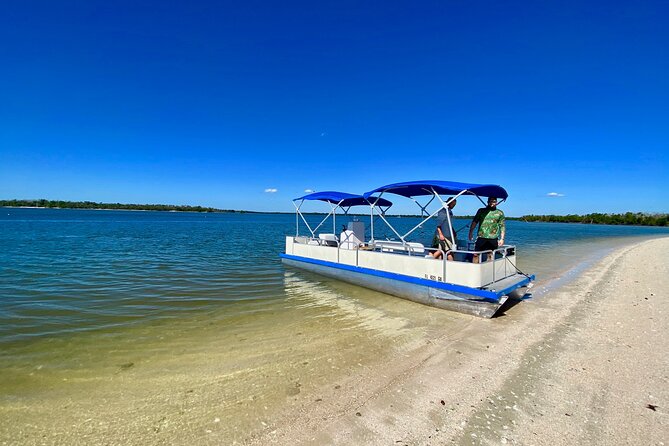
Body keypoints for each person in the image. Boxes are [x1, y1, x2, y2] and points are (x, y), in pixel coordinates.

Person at [468, 197, 505, 263]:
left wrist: (502, 239)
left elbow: (502, 226)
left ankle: (489, 270)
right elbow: (475, 222)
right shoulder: (481, 211)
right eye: (490, 201)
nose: (492, 203)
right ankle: (475, 269)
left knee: (490, 255)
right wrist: (470, 232)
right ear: (487, 202)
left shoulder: (500, 213)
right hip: (481, 236)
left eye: (493, 201)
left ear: (496, 202)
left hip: (493, 237)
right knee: (476, 254)